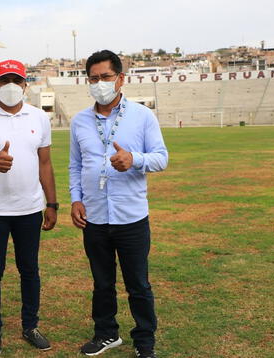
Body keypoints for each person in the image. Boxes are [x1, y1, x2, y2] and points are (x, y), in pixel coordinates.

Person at [69, 50, 168, 358]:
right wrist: (75, 199)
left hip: (131, 217)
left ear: (121, 79)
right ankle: (106, 334)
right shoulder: (80, 121)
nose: (100, 84)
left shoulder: (142, 116)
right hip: (95, 217)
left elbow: (161, 158)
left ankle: (144, 342)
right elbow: (75, 164)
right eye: (94, 78)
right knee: (102, 283)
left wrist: (134, 159)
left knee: (138, 284)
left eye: (106, 77)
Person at [0, 59, 58, 357]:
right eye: (4, 80)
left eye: (16, 80)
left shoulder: (38, 117)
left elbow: (45, 163)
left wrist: (52, 203)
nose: (10, 86)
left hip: (29, 209)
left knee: (29, 270)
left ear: (25, 85)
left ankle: (30, 326)